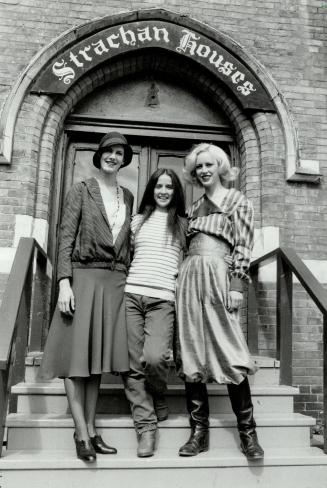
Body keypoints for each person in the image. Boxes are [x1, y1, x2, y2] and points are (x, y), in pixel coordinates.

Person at [38, 132, 134, 462]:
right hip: (82, 277)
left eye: (119, 152)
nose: (113, 156)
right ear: (99, 155)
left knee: (96, 364)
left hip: (114, 282)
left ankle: (92, 430)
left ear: (124, 159)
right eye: (109, 150)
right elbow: (65, 237)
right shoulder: (80, 190)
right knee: (75, 361)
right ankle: (80, 434)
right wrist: (64, 283)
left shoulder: (129, 196)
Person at [175, 143, 264, 460]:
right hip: (189, 279)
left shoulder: (237, 201)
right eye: (199, 166)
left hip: (219, 277)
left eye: (209, 164)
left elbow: (243, 246)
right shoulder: (194, 205)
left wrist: (237, 283)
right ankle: (198, 433)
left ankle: (248, 434)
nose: (203, 170)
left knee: (231, 351)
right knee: (191, 351)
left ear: (221, 167)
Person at [123, 168, 186, 458]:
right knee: (134, 364)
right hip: (131, 296)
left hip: (163, 300)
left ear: (176, 192)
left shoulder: (183, 225)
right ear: (151, 189)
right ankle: (146, 427)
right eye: (158, 186)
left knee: (155, 358)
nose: (163, 191)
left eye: (169, 187)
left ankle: (159, 392)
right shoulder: (136, 221)